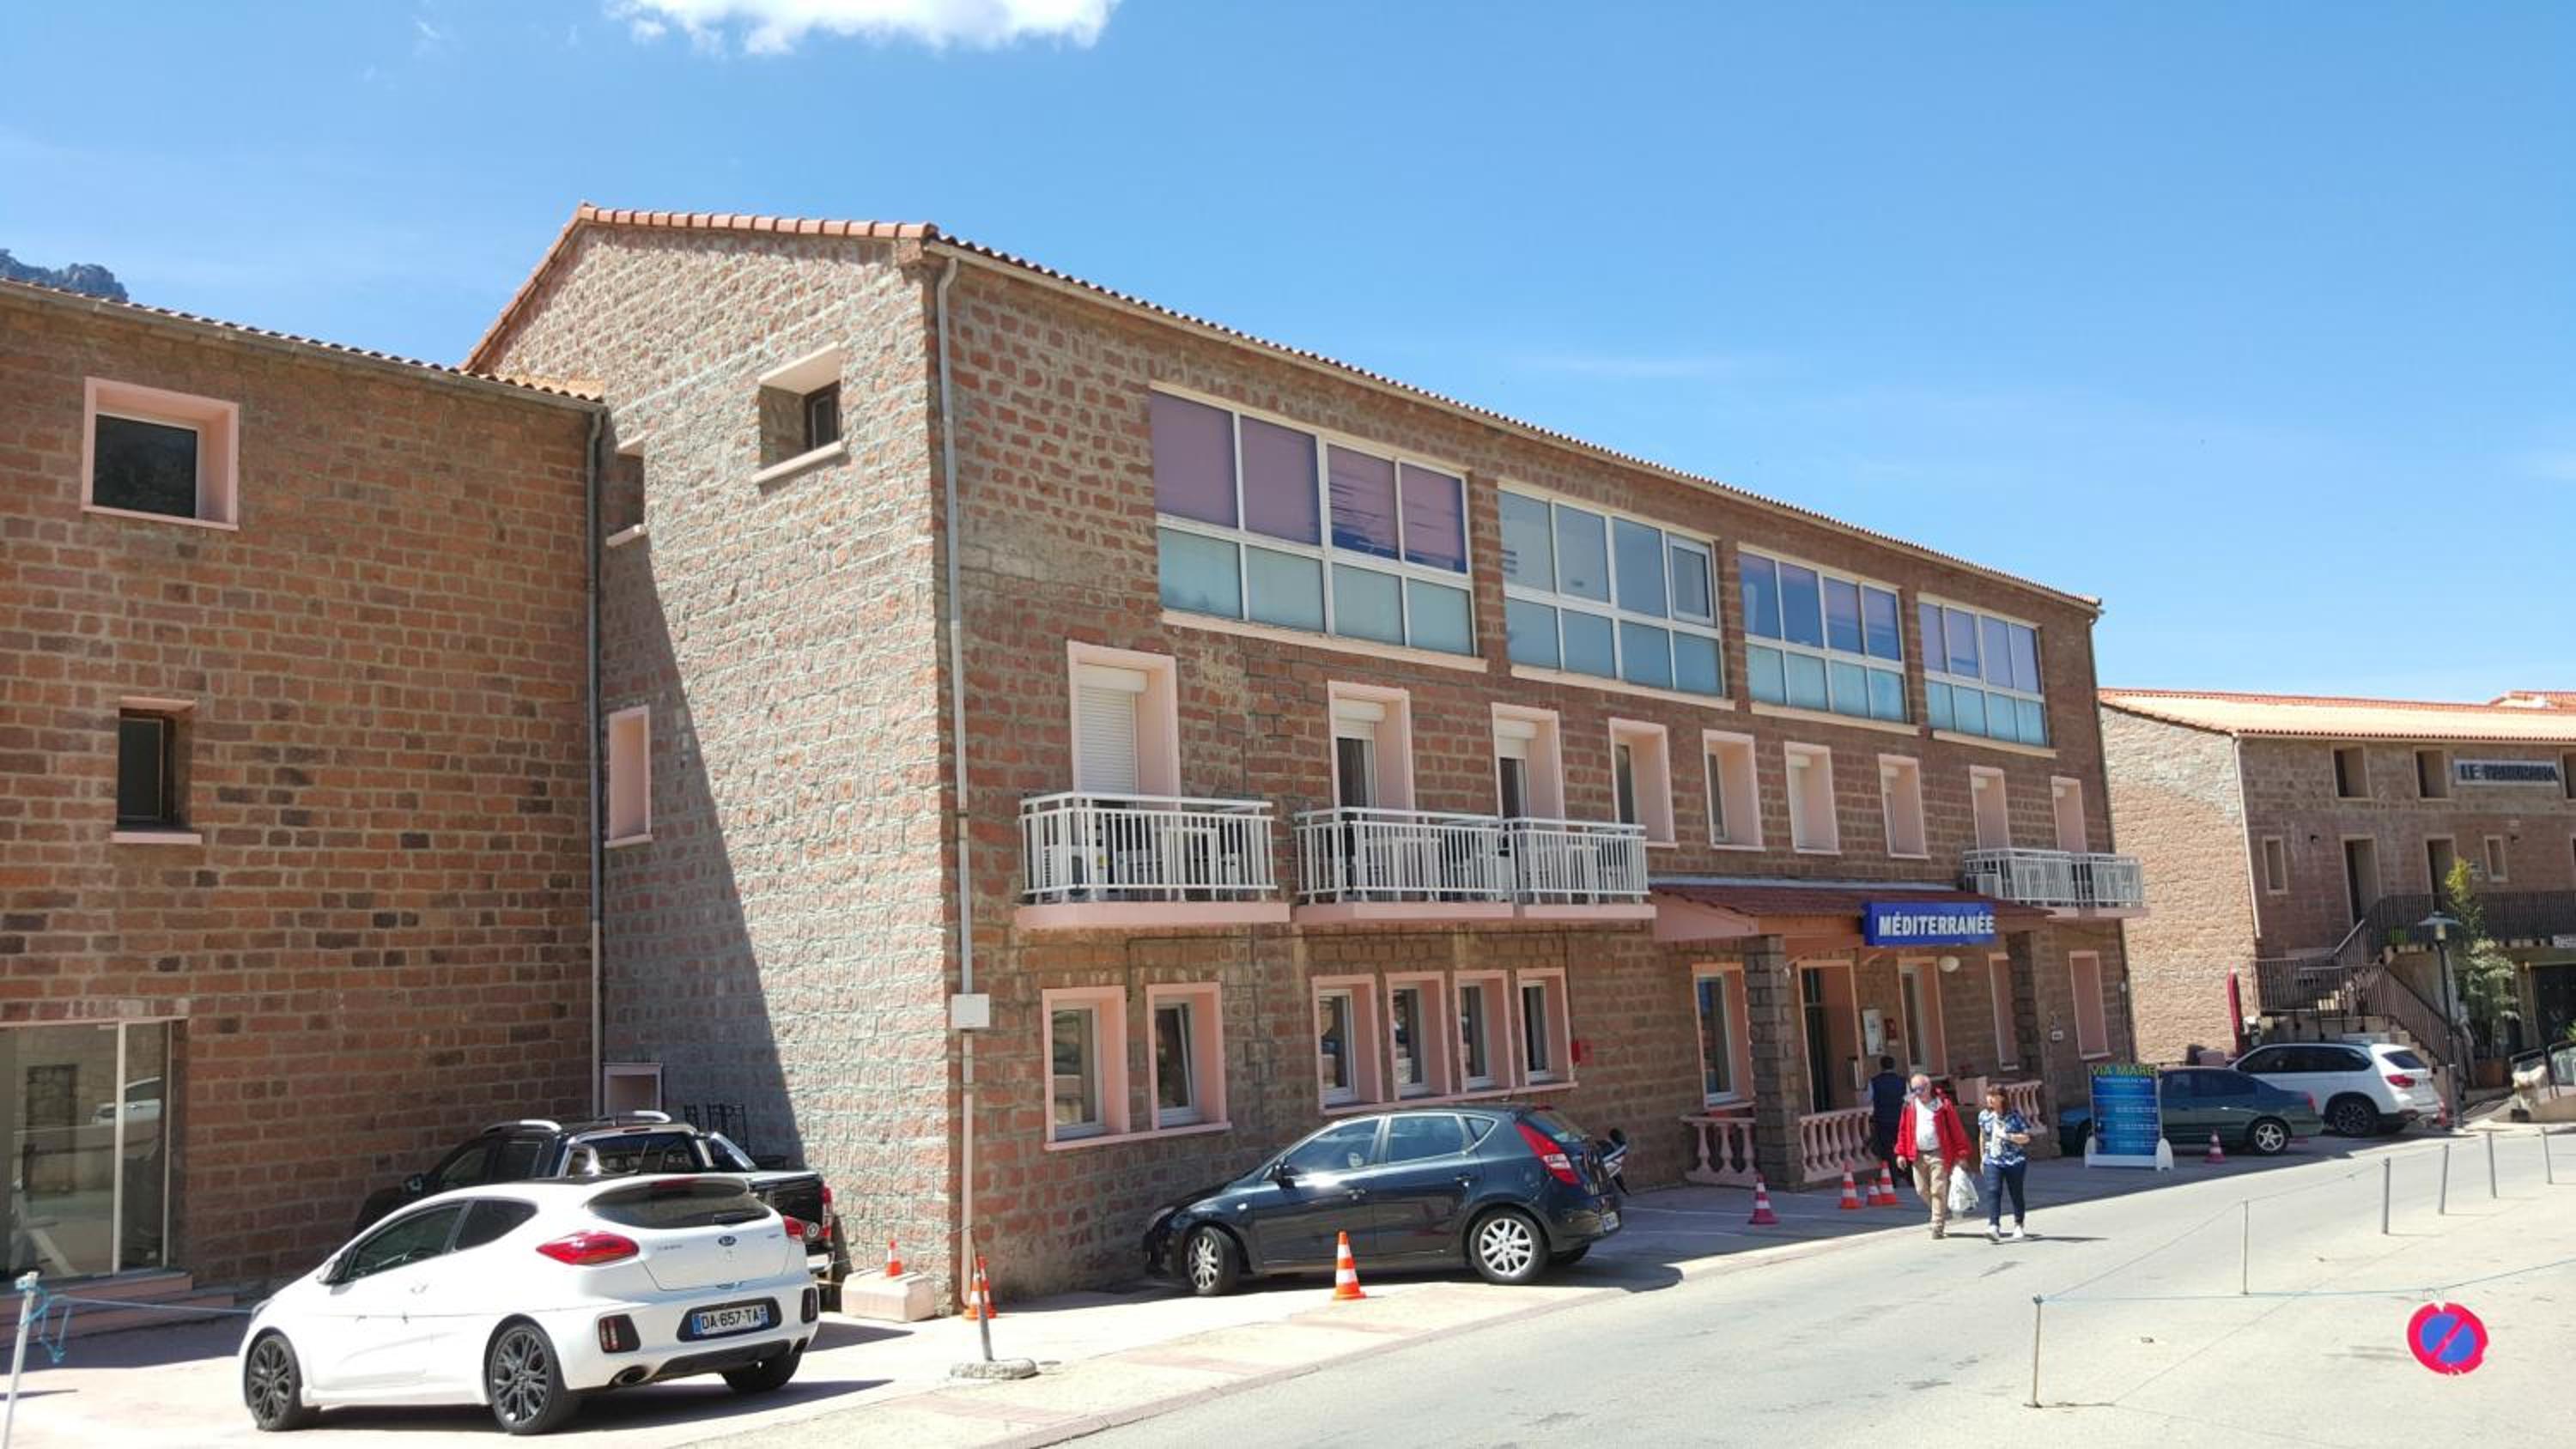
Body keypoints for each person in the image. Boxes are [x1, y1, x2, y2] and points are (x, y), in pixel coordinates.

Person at [1892, 1074, 1971, 1238]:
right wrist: (1900, 1153)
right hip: (1918, 1153)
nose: (1917, 1093)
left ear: (1928, 1087)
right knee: (1921, 1189)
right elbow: (1903, 1130)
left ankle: (1937, 1225)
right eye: (1914, 1089)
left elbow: (1956, 1129)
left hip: (1938, 1153)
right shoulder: (1909, 1105)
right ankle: (1940, 1210)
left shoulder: (1942, 1104)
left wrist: (1961, 1154)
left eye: (1920, 1089)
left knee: (1938, 1189)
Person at [1978, 1086, 2034, 1241]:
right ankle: (1994, 1226)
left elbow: (2026, 1137)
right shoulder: (1984, 1116)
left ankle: (2019, 1225)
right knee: (1993, 1190)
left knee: (2016, 1193)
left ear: (2002, 1098)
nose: (1989, 1099)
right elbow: (1982, 1136)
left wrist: (2008, 1136)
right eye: (1988, 1096)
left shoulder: (2014, 1116)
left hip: (2014, 1160)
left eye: (1993, 1096)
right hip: (1993, 1159)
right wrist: (1982, 1157)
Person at [1868, 1055, 1908, 1185]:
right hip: (1900, 1119)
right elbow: (1908, 1100)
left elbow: (1866, 1100)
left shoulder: (1874, 1082)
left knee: (1887, 1150)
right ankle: (1908, 1176)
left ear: (1881, 1066)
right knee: (1902, 1147)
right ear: (1894, 1065)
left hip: (1882, 1119)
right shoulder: (1902, 1081)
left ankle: (1893, 1178)